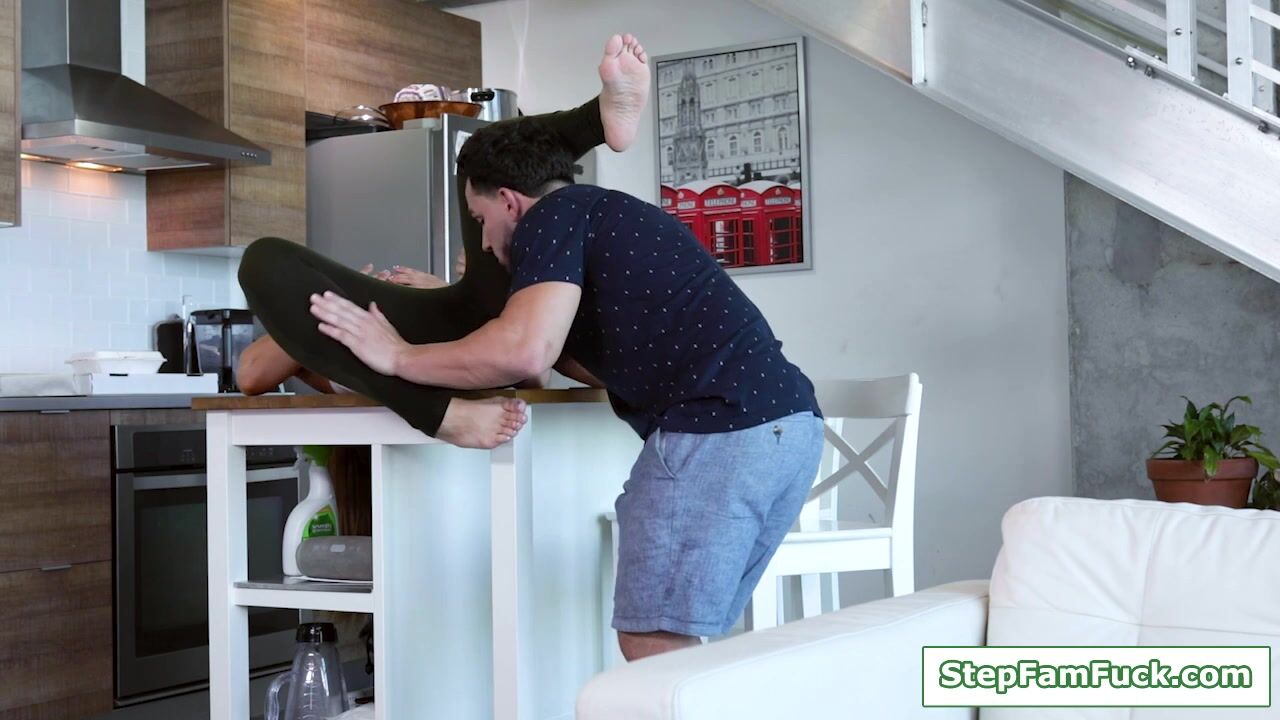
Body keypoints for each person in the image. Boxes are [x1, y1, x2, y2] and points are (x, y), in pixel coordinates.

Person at [307, 78, 825, 660]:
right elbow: (555, 359)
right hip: (787, 428)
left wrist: (397, 355)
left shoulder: (551, 218)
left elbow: (523, 353)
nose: (484, 243)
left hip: (721, 432)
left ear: (510, 202)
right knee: (685, 639)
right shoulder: (603, 216)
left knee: (655, 636)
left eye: (480, 219)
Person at [237, 34, 651, 449]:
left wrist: (444, 291)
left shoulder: (510, 298)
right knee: (262, 259)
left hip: (473, 323)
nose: (483, 242)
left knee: (480, 154)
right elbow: (250, 375)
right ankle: (439, 414)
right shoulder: (328, 341)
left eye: (481, 220)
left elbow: (534, 368)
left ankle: (597, 119)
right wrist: (337, 305)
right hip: (453, 367)